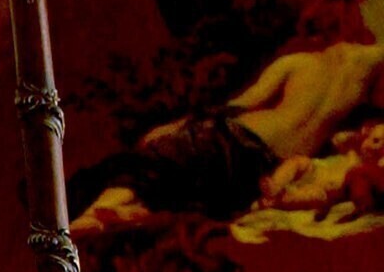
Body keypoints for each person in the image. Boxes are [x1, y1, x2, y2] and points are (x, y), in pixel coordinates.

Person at [71, 31, 384, 234]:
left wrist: (179, 126)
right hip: (264, 161)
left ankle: (90, 217)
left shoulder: (297, 62)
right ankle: (113, 217)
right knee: (198, 196)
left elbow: (239, 105)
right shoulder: (369, 64)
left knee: (151, 168)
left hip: (237, 135)